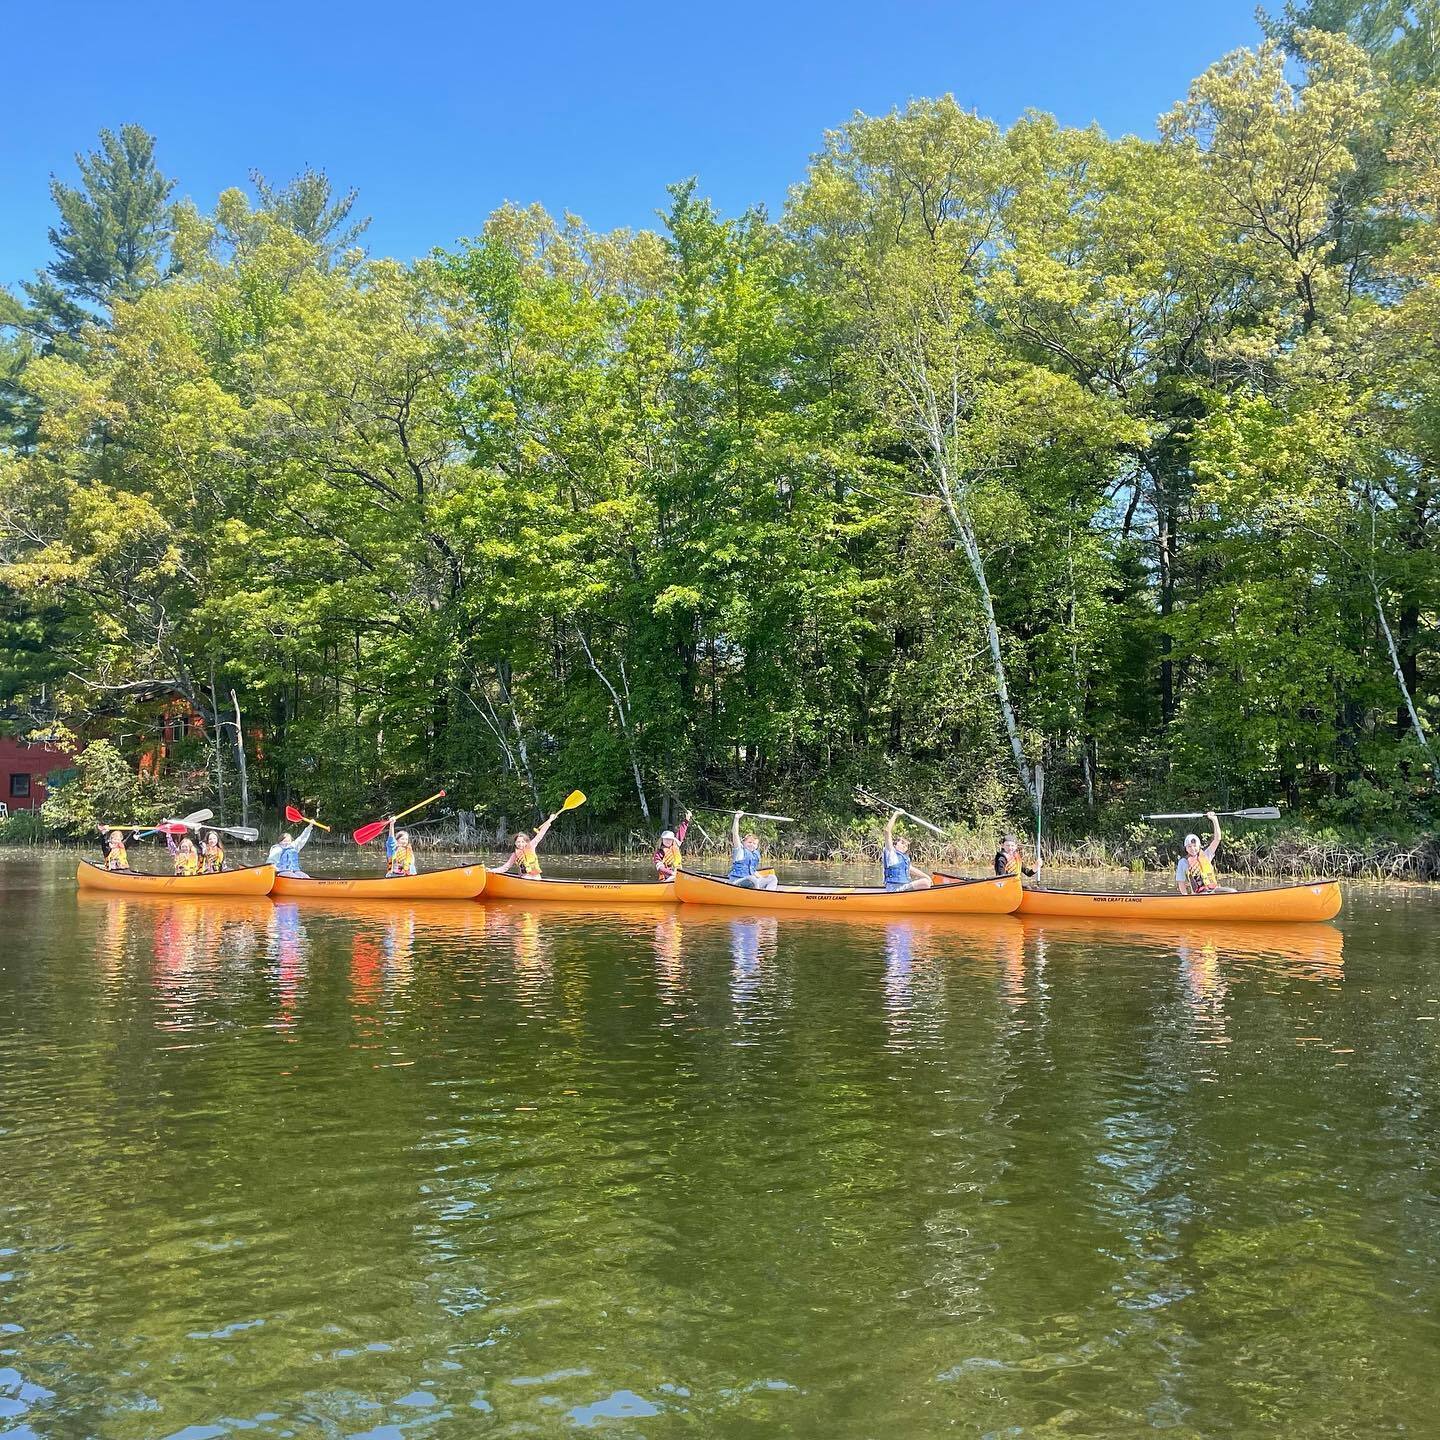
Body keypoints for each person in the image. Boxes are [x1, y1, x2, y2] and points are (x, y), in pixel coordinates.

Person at [1175, 811, 1234, 895]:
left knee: (1232, 891)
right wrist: (1185, 897)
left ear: (1199, 846)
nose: (1192, 849)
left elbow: (1217, 839)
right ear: (1186, 849)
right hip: (1199, 894)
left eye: (1194, 846)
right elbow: (1181, 883)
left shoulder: (1206, 855)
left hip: (1213, 890)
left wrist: (1214, 820)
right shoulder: (1183, 862)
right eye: (1189, 846)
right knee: (1204, 894)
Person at [492, 808, 560, 877]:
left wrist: (550, 820)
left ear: (526, 842)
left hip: (535, 877)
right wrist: (492, 870)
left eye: (522, 842)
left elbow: (540, 834)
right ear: (515, 843)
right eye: (518, 842)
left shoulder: (531, 845)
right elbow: (505, 867)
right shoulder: (515, 854)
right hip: (524, 877)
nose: (520, 844)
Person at [882, 810, 933, 892]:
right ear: (895, 845)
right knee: (925, 883)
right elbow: (887, 831)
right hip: (894, 890)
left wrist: (927, 876)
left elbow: (910, 869)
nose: (904, 845)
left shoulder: (904, 858)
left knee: (926, 880)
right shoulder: (891, 853)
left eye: (906, 845)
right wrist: (896, 814)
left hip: (903, 887)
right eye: (902, 843)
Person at [728, 811, 778, 890]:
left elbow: (753, 871)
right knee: (752, 879)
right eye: (749, 842)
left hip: (752, 881)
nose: (752, 845)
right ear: (744, 842)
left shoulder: (755, 854)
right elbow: (735, 833)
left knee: (772, 878)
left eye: (754, 843)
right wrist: (736, 819)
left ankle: (769, 894)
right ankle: (757, 895)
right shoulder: (740, 851)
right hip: (737, 881)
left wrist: (762, 878)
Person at [655, 812, 690, 882]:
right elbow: (660, 868)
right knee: (675, 876)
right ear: (662, 840)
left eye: (670, 839)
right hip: (667, 876)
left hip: (678, 874)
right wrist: (672, 873)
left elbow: (681, 833)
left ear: (672, 840)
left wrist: (687, 820)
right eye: (666, 839)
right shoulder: (658, 853)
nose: (668, 841)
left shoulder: (675, 845)